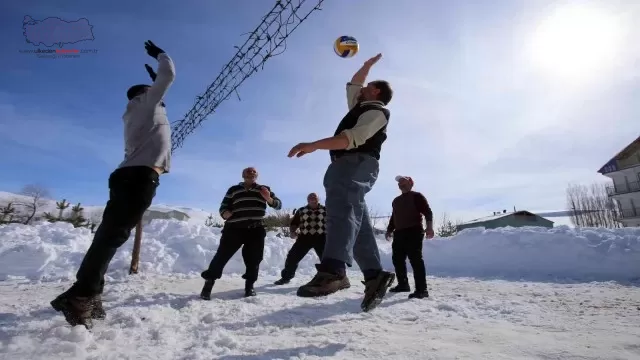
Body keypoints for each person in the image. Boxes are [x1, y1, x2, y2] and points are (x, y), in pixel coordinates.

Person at [50, 40, 176, 329]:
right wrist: (159, 56)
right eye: (154, 92)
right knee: (112, 237)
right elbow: (168, 74)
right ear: (146, 95)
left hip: (130, 176)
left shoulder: (140, 112)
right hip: (138, 177)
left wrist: (151, 86)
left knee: (109, 236)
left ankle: (88, 292)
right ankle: (82, 295)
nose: (162, 99)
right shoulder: (147, 106)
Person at [287, 53, 395, 312]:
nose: (361, 89)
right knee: (359, 222)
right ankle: (374, 275)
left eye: (368, 87)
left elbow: (350, 139)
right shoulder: (360, 108)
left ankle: (333, 270)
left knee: (342, 205)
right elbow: (354, 85)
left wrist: (314, 145)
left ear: (376, 92)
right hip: (350, 163)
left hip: (356, 161)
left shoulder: (377, 112)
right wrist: (367, 66)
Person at [200, 167, 282, 299]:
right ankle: (208, 285)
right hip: (234, 228)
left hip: (256, 229)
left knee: (254, 259)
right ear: (243, 175)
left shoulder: (264, 188)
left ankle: (249, 287)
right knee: (221, 256)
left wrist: (269, 198)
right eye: (248, 172)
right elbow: (223, 206)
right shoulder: (233, 190)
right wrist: (224, 213)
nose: (251, 173)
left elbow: (278, 205)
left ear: (257, 176)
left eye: (254, 172)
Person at [385, 175, 434, 299]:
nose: (401, 184)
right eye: (399, 183)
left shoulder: (417, 196)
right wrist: (389, 230)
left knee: (415, 259)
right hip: (399, 233)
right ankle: (403, 284)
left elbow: (428, 212)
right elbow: (394, 217)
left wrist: (429, 227)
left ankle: (422, 290)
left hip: (414, 231)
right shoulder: (396, 201)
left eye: (404, 182)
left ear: (411, 183)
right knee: (397, 259)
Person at [274, 192, 327, 285]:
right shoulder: (302, 210)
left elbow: (333, 222)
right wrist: (293, 231)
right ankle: (286, 277)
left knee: (327, 260)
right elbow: (294, 223)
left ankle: (329, 279)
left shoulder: (325, 210)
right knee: (292, 257)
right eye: (310, 197)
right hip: (304, 238)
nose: (312, 198)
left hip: (321, 237)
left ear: (318, 199)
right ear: (307, 200)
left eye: (314, 197)